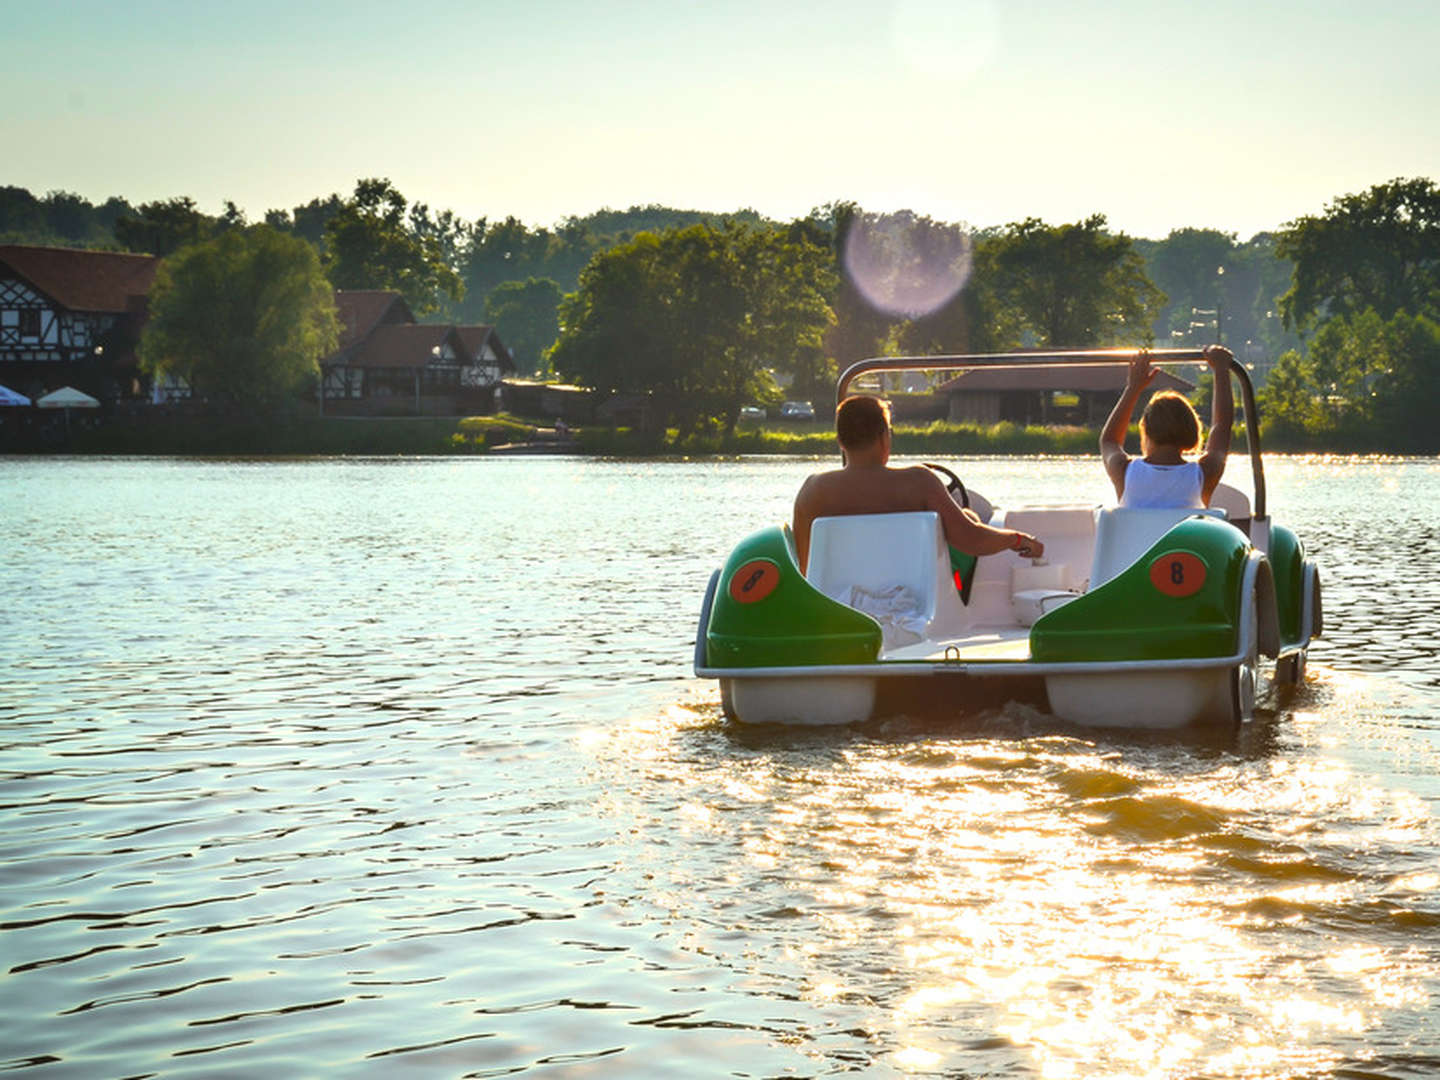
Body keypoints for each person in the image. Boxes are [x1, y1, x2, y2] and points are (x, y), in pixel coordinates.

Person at [792, 395, 1044, 573]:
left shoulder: (813, 491)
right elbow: (971, 539)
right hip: (910, 600)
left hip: (837, 602)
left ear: (840, 440)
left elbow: (803, 565)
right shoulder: (918, 482)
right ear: (884, 437)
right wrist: (1018, 540)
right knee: (968, 516)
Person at [1099, 345, 1235, 508]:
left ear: (1146, 429)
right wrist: (1221, 369)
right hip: (1184, 535)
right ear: (1192, 431)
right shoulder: (1205, 473)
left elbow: (1109, 441)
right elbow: (1222, 425)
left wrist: (1133, 388)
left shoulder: (1123, 470)